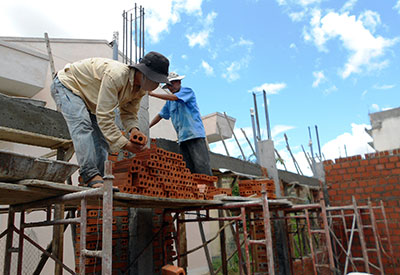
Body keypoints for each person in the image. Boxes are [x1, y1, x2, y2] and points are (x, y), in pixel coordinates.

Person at [51, 52, 170, 188]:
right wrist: (125, 144)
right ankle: (89, 174)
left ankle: (99, 178)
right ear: (144, 73)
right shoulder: (116, 76)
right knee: (82, 126)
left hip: (91, 101)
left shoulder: (140, 90)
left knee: (102, 138)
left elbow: (129, 113)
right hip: (67, 85)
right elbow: (105, 117)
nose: (156, 84)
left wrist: (134, 130)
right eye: (155, 80)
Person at [149, 72, 212, 176]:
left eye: (171, 84)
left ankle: (208, 191)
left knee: (201, 167)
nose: (169, 88)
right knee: (188, 170)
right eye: (168, 86)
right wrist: (147, 126)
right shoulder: (169, 103)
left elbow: (175, 98)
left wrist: (152, 94)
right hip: (182, 139)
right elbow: (160, 115)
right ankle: (194, 191)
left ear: (178, 82)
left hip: (195, 135)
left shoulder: (187, 91)